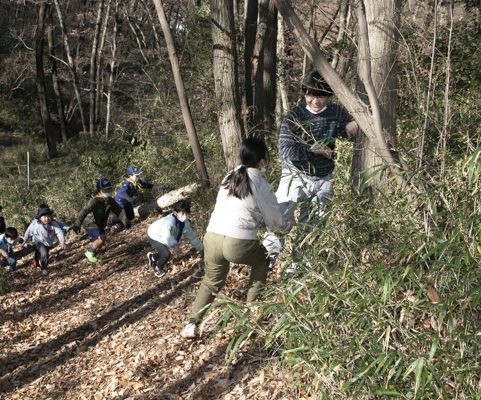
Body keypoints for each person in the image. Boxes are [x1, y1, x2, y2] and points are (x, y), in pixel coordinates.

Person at [180, 138, 294, 339]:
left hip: (212, 237)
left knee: (211, 282)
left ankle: (191, 325)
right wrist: (289, 223)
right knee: (262, 262)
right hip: (238, 242)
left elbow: (238, 206)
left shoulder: (230, 175)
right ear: (261, 160)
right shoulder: (261, 184)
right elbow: (276, 223)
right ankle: (252, 313)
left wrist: (259, 219)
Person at [263, 70, 359, 274]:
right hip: (295, 175)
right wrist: (310, 149)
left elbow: (348, 134)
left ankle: (297, 270)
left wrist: (353, 126)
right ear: (304, 92)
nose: (316, 100)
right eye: (311, 95)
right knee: (280, 216)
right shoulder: (295, 116)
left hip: (323, 178)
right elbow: (284, 151)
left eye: (321, 95)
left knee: (314, 226)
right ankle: (266, 260)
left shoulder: (336, 112)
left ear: (329, 96)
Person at [71, 178, 124, 263]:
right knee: (102, 238)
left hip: (99, 224)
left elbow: (119, 211)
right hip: (90, 223)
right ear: (99, 190)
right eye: (105, 189)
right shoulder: (94, 201)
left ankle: (91, 258)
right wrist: (77, 224)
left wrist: (126, 221)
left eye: (109, 189)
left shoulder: (109, 200)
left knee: (100, 242)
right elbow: (84, 211)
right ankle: (89, 252)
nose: (108, 191)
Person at [146, 199, 204, 278]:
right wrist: (175, 245)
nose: (185, 216)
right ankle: (158, 269)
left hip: (163, 238)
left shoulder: (185, 223)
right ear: (174, 212)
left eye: (186, 214)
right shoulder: (169, 221)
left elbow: (192, 237)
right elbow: (166, 235)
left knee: (163, 251)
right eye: (182, 213)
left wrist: (201, 249)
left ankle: (152, 257)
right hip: (154, 235)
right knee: (166, 254)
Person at [113, 166, 165, 230]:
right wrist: (129, 199)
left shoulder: (138, 182)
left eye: (138, 175)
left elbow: (147, 185)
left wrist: (158, 187)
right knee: (121, 215)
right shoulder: (126, 183)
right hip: (120, 200)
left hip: (128, 200)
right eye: (136, 175)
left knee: (131, 216)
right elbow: (123, 192)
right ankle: (110, 223)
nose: (138, 177)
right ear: (130, 176)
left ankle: (120, 223)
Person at [22, 206, 67, 275]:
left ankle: (37, 260)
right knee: (44, 252)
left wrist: (62, 242)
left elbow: (59, 232)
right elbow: (27, 232)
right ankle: (44, 268)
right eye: (44, 217)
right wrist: (22, 243)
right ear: (40, 218)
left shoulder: (53, 224)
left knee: (44, 253)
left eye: (48, 216)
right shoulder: (36, 224)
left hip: (47, 242)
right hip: (38, 240)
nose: (47, 218)